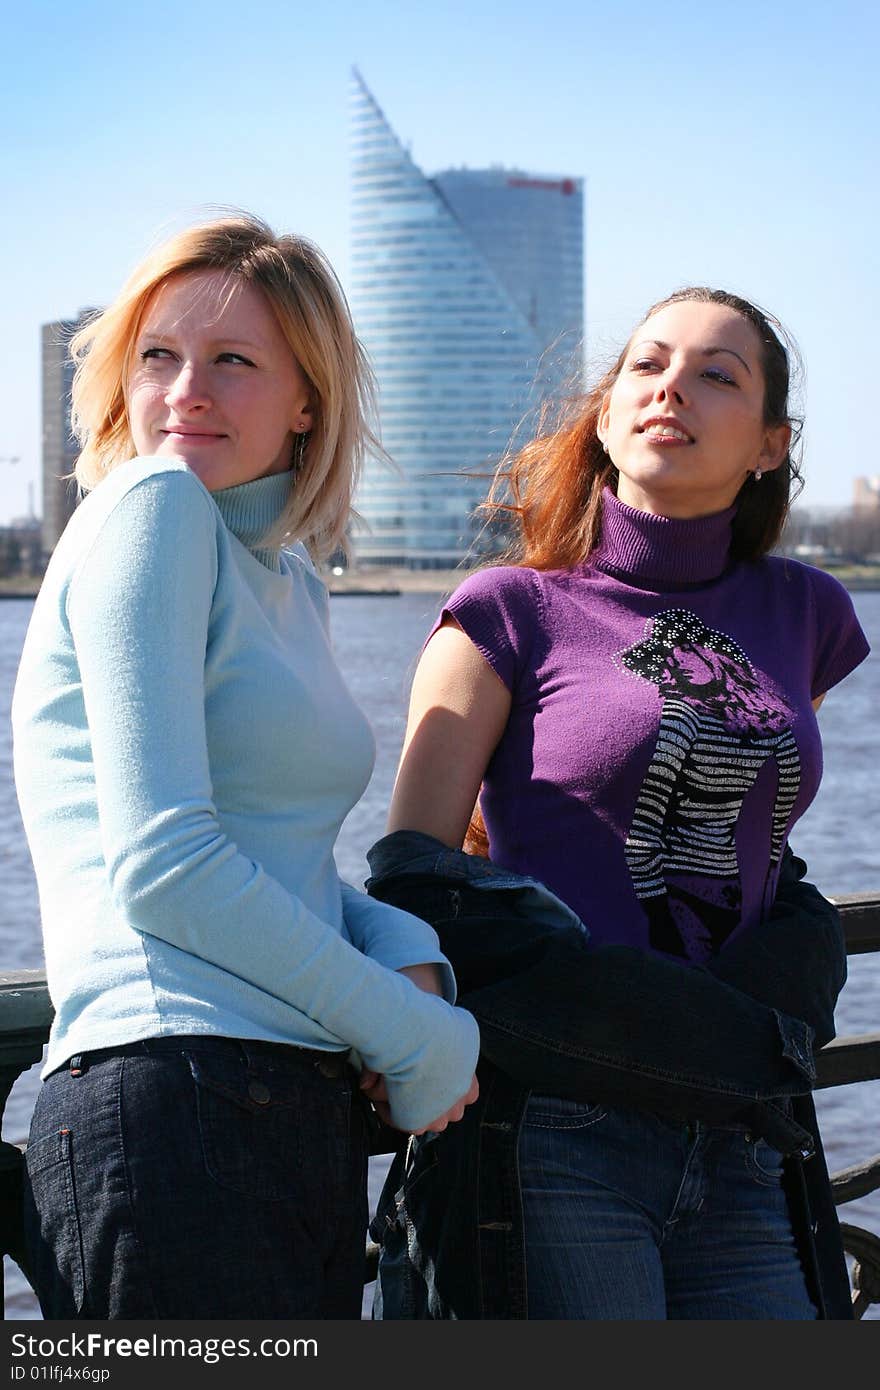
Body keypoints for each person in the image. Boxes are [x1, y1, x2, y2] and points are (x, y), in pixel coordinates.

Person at [11, 213, 479, 1320]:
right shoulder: (153, 505)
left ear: (307, 398)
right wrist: (413, 1036)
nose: (186, 392)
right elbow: (167, 866)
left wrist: (404, 948)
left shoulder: (287, 576)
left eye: (233, 361)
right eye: (159, 357)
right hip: (178, 1094)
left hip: (276, 1108)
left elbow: (283, 852)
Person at [370, 287, 870, 1319]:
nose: (670, 387)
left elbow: (760, 827)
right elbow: (412, 865)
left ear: (769, 445)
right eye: (646, 366)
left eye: (715, 374)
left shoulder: (809, 610)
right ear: (604, 417)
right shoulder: (506, 610)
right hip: (561, 1123)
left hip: (741, 1118)